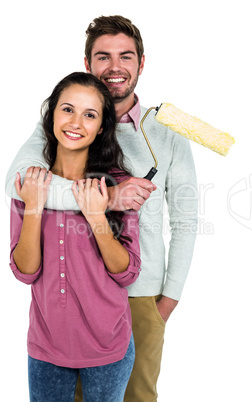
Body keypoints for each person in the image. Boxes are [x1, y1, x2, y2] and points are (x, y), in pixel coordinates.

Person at [6, 16, 198, 402]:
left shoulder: (170, 130)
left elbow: (186, 219)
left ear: (141, 63)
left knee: (138, 395)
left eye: (126, 56)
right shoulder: (63, 126)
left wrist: (169, 299)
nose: (115, 67)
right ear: (87, 63)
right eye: (103, 56)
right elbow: (19, 182)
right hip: (68, 302)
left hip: (142, 293)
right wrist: (109, 198)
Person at [9, 72, 141, 402]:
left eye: (90, 115)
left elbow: (127, 271)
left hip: (108, 347)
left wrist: (97, 216)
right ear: (51, 114)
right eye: (67, 109)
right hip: (47, 347)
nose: (76, 123)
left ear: (101, 128)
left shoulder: (117, 186)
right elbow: (25, 272)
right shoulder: (29, 183)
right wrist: (34, 207)